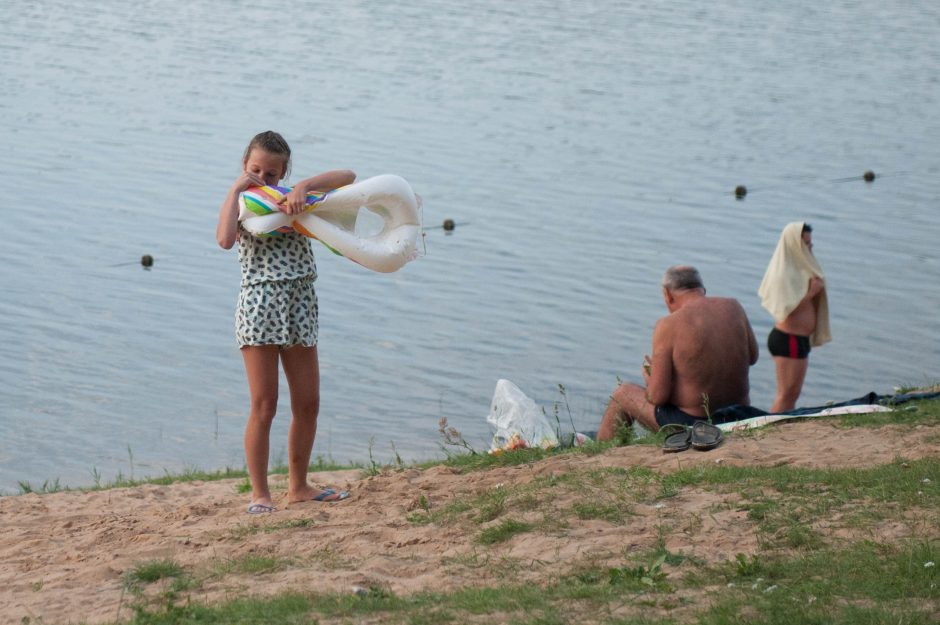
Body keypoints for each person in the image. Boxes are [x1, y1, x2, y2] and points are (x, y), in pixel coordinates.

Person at [217, 130, 357, 513]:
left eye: (273, 174)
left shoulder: (300, 199)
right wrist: (234, 191)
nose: (263, 178)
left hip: (300, 303)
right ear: (244, 166)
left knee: (308, 403)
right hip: (260, 306)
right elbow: (225, 240)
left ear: (285, 173)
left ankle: (299, 487)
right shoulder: (244, 203)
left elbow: (349, 176)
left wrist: (304, 186)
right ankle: (260, 494)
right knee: (265, 405)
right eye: (255, 169)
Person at [597, 266, 759, 439]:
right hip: (740, 416)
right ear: (702, 289)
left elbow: (657, 397)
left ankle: (601, 453)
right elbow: (752, 356)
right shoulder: (734, 307)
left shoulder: (668, 325)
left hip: (695, 424)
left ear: (667, 294)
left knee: (623, 394)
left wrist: (650, 378)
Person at [758, 222, 831, 413]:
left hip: (798, 339)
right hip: (787, 338)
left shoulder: (801, 269)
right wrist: (810, 294)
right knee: (786, 394)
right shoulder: (783, 274)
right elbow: (784, 309)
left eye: (810, 244)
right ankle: (771, 428)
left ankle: (782, 426)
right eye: (805, 245)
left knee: (793, 393)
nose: (809, 249)